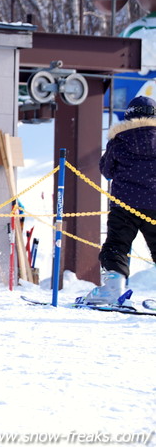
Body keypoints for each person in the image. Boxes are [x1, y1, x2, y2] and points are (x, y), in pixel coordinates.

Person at [81, 95, 156, 305]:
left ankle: (113, 290)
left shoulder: (120, 139)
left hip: (124, 204)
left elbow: (107, 170)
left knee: (117, 245)